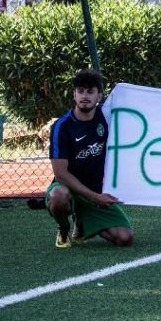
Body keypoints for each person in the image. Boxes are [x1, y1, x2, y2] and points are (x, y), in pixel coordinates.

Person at [47, 69, 133, 248]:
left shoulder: (107, 117)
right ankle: (63, 229)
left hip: (95, 191)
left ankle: (82, 222)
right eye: (80, 91)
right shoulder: (62, 126)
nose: (84, 96)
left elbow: (141, 110)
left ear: (99, 96)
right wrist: (95, 197)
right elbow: (60, 174)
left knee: (125, 239)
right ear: (74, 95)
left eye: (90, 91)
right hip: (69, 188)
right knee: (58, 195)